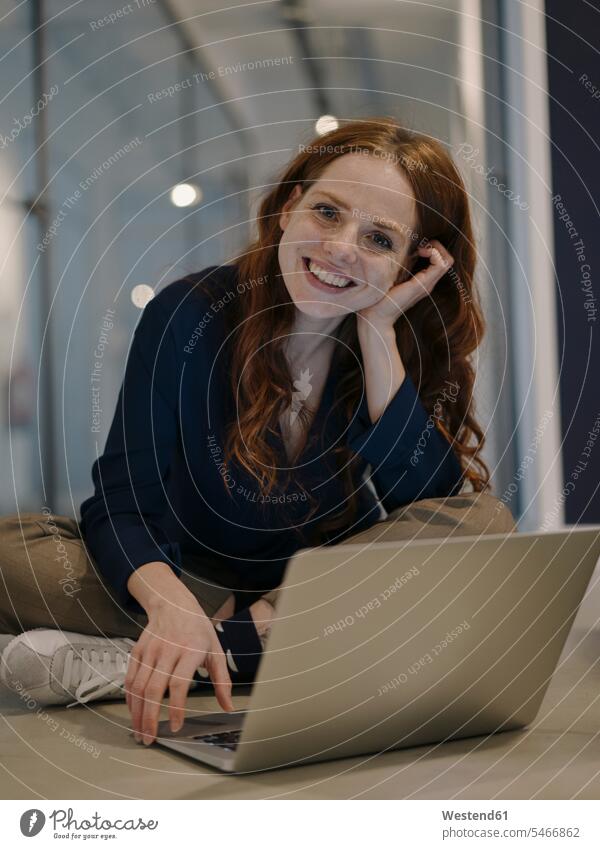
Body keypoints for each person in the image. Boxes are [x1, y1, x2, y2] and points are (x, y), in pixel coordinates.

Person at [0, 117, 516, 747]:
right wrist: (169, 606)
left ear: (414, 264)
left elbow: (433, 503)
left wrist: (379, 332)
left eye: (379, 239)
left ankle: (165, 659)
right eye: (328, 213)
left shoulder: (390, 344)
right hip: (182, 579)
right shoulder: (190, 312)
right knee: (15, 553)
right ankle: (209, 647)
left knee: (482, 524)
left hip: (302, 596)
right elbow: (122, 498)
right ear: (288, 208)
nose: (342, 248)